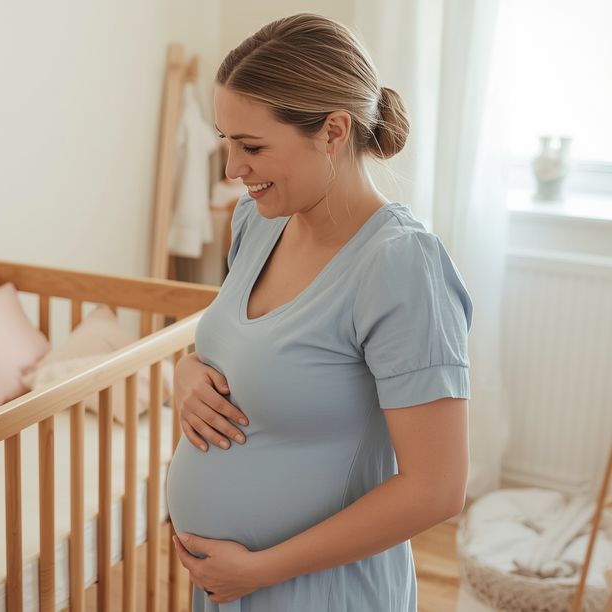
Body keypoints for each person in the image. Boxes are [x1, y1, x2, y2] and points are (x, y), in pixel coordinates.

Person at [164, 13, 473, 611]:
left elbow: (436, 490)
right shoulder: (256, 222)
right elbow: (248, 349)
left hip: (316, 591)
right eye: (228, 142)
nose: (232, 169)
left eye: (252, 146)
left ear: (333, 130)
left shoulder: (401, 266)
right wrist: (186, 369)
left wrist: (259, 569)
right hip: (233, 586)